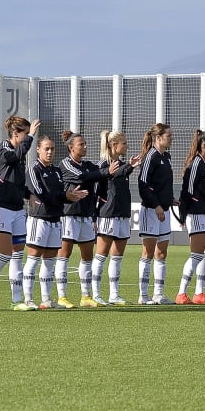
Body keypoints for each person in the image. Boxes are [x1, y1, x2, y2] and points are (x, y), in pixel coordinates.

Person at [0, 115, 39, 311]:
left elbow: (18, 181)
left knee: (18, 254)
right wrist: (30, 138)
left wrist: (29, 195)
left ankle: (16, 300)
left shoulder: (20, 153)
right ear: (15, 133)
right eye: (25, 134)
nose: (29, 137)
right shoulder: (4, 148)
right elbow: (15, 156)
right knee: (4, 254)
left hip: (17, 208)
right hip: (1, 207)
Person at [24, 136, 87, 309]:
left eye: (52, 149)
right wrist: (64, 196)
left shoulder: (56, 171)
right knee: (33, 260)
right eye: (46, 149)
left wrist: (70, 197)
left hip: (55, 220)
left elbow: (60, 195)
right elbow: (41, 195)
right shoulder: (33, 169)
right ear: (38, 149)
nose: (50, 152)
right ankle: (28, 299)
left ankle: (47, 299)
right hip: (39, 219)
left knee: (49, 262)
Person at [58, 131, 110, 309]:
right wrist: (101, 173)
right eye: (82, 144)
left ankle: (86, 295)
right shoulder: (65, 164)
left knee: (87, 256)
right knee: (64, 255)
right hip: (69, 214)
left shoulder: (89, 165)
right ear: (71, 147)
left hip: (86, 214)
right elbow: (82, 177)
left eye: (86, 144)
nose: (85, 146)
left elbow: (103, 174)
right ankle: (62, 296)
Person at [94, 130, 142, 305]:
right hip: (107, 215)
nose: (127, 145)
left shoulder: (121, 165)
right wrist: (93, 216)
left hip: (122, 214)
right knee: (101, 255)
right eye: (124, 142)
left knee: (117, 256)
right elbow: (96, 191)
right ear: (114, 145)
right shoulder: (102, 165)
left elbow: (121, 172)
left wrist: (129, 166)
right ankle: (96, 294)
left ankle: (114, 294)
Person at [176, 129, 205, 305]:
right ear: (204, 145)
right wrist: (183, 216)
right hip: (197, 215)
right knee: (196, 255)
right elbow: (187, 191)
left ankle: (199, 293)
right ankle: (181, 293)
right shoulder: (195, 165)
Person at [137, 123, 177, 305]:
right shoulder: (150, 157)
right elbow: (143, 185)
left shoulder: (166, 157)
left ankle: (158, 294)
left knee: (161, 253)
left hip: (165, 211)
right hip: (152, 211)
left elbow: (162, 185)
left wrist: (171, 199)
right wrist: (157, 205)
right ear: (159, 138)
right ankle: (143, 296)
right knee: (148, 252)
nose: (172, 138)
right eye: (169, 135)